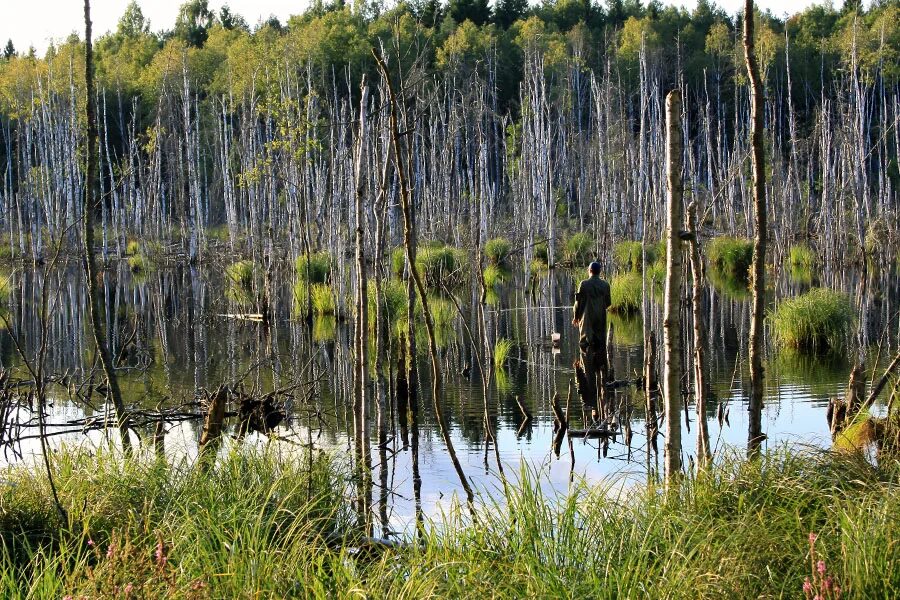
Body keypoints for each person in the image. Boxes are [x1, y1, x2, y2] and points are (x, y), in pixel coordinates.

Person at [572, 261, 611, 412]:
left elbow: (578, 303)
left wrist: (576, 316)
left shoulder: (584, 284)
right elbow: (608, 303)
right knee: (600, 346)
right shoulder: (605, 285)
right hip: (600, 319)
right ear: (599, 272)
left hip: (586, 321)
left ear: (589, 270)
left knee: (585, 346)